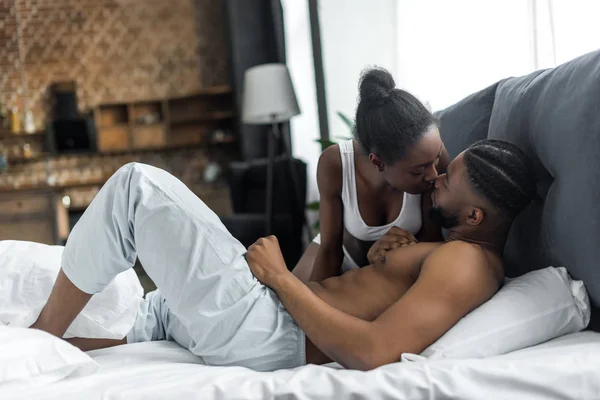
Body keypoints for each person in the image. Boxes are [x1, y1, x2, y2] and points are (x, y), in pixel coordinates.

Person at [31, 139, 536, 371]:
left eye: (449, 181)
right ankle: (38, 353)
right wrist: (398, 251)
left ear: (475, 219)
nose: (436, 178)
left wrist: (279, 278)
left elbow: (374, 351)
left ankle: (41, 338)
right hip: (266, 316)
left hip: (272, 330)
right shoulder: (451, 250)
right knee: (148, 314)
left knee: (137, 188)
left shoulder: (467, 264)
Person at [292, 67, 450, 283]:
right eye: (418, 170)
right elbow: (330, 251)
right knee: (286, 309)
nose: (434, 175)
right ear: (378, 162)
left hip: (391, 264)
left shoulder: (431, 160)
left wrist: (386, 260)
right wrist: (314, 298)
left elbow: (433, 243)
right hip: (339, 255)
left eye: (437, 158)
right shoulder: (335, 164)